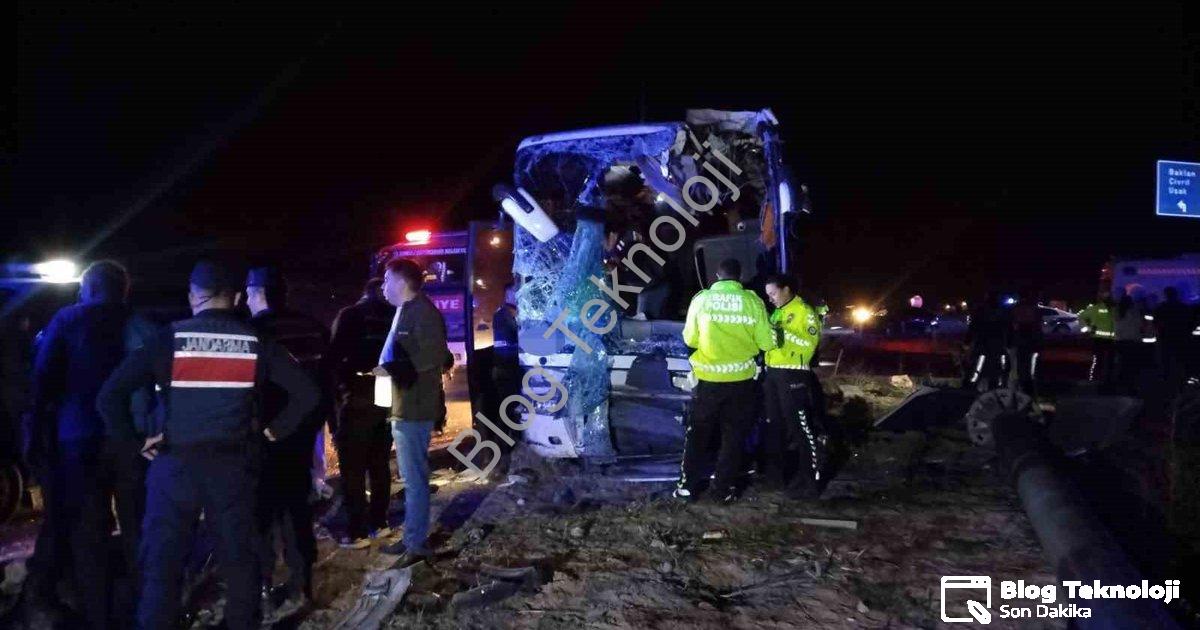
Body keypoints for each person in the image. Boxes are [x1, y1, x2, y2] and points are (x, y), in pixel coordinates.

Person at [97, 260, 318, 630]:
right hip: (233, 468)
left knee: (162, 568)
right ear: (234, 298)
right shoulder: (254, 341)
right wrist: (271, 433)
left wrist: (136, 442)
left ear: (192, 296)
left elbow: (109, 397)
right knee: (240, 565)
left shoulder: (169, 338)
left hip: (175, 467)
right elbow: (307, 393)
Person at [25, 261, 151, 629]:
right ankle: (147, 609)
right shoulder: (138, 322)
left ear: (86, 288)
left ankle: (98, 616)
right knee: (136, 526)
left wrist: (38, 433)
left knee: (89, 532)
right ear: (123, 289)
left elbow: (43, 378)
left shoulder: (66, 321)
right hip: (129, 438)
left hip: (77, 438)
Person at [244, 266, 331, 615]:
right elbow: (325, 380)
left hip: (265, 435)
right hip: (303, 431)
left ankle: (264, 584)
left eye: (248, 293)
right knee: (297, 507)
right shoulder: (313, 327)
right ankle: (302, 581)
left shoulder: (253, 332)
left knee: (261, 513)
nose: (246, 299)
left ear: (258, 293)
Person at [676, 258, 775, 504]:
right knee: (733, 438)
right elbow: (767, 343)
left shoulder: (701, 300)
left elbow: (690, 339)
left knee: (697, 434)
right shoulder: (753, 301)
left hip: (708, 382)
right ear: (739, 277)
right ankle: (721, 491)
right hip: (741, 382)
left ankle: (687, 488)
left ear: (717, 277)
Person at [375, 258, 448, 565]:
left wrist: (391, 370)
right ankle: (412, 537)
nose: (383, 286)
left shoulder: (423, 313)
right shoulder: (405, 311)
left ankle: (415, 542)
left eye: (386, 280)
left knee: (414, 478)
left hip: (414, 407)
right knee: (411, 476)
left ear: (401, 283)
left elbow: (434, 356)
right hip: (404, 405)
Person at [327, 278, 395, 549]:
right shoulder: (393, 316)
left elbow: (332, 358)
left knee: (353, 466)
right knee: (379, 461)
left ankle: (356, 530)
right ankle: (380, 522)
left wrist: (338, 394)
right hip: (386, 392)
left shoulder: (350, 315)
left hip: (357, 394)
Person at [761, 274, 827, 497]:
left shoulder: (804, 311)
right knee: (774, 427)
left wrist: (780, 333)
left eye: (773, 293)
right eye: (767, 295)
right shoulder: (777, 313)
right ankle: (777, 479)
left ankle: (811, 482)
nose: (770, 299)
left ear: (787, 289)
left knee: (801, 428)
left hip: (794, 374)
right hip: (773, 374)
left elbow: (809, 344)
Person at [962, 293, 1010, 390]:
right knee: (995, 369)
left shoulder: (982, 312)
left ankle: (970, 387)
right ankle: (994, 388)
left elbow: (973, 328)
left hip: (985, 345)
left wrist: (967, 342)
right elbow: (1008, 329)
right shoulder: (1001, 313)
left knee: (978, 368)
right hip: (995, 346)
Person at [1154, 286, 1197, 395]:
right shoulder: (1184, 308)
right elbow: (1192, 323)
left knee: (1166, 362)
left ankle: (1166, 383)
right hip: (1182, 338)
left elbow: (1156, 323)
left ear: (1165, 295)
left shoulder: (1160, 308)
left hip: (1165, 338)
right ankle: (1183, 382)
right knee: (1182, 361)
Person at [1009, 292, 1044, 398]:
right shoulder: (1033, 309)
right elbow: (1038, 326)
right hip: (1029, 342)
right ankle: (1028, 388)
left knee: (1021, 366)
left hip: (1022, 341)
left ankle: (1023, 387)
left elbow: (1013, 325)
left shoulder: (1018, 309)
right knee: (1029, 367)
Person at [1112, 293, 1148, 396]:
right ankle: (1130, 387)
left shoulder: (1117, 312)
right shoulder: (1135, 312)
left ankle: (1119, 386)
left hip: (1120, 341)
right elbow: (1141, 326)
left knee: (1121, 363)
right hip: (1133, 341)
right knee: (1131, 365)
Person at [1078, 293, 1117, 386]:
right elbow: (1081, 316)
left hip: (1112, 339)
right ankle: (1095, 379)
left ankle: (1107, 380)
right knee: (1099, 361)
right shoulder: (1096, 308)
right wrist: (1086, 329)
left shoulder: (1115, 309)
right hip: (1099, 339)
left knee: (1110, 361)